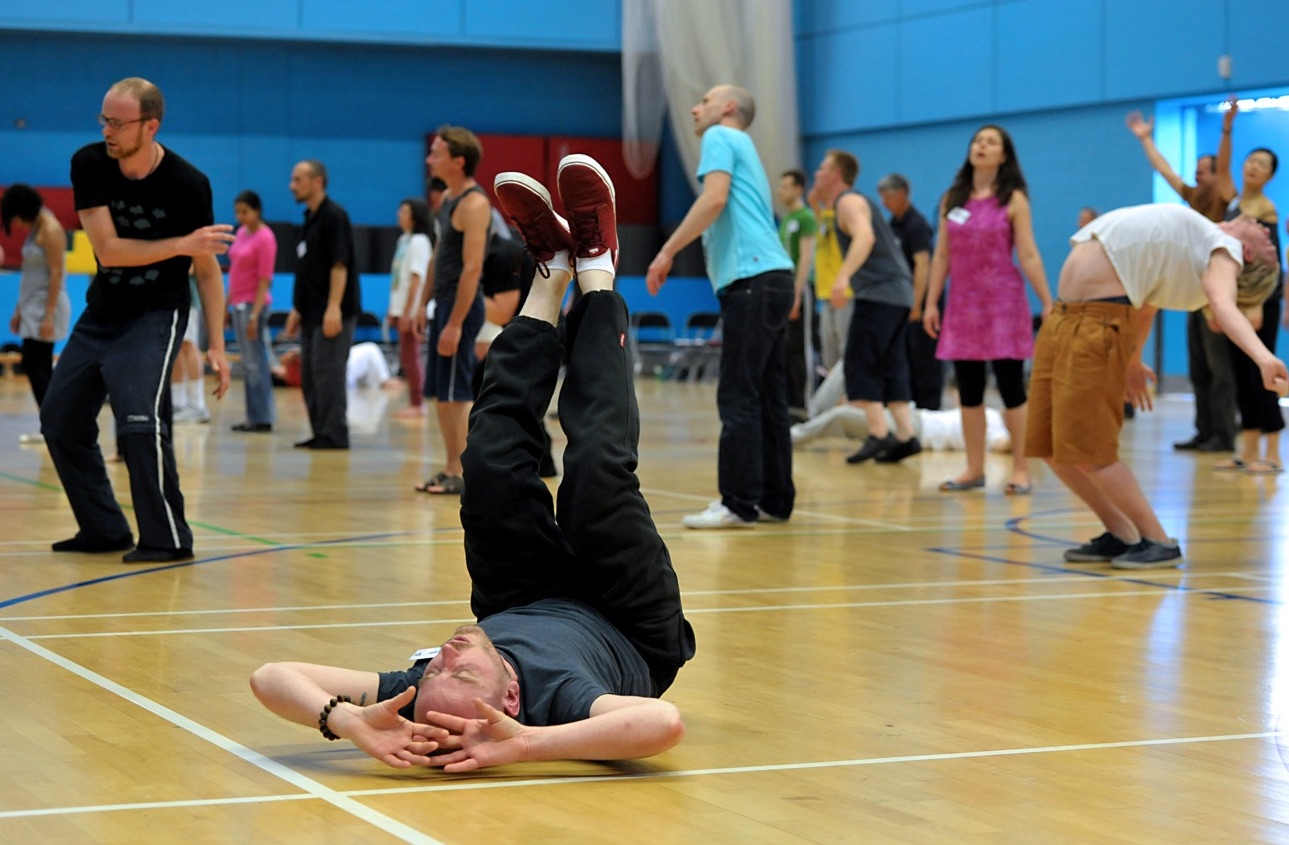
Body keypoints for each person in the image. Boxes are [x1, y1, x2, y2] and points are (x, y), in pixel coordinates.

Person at [250, 156, 695, 772]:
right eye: (460, 670)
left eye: (435, 668)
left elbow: (272, 675)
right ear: (511, 699)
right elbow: (662, 724)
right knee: (595, 473)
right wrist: (527, 744)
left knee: (483, 465)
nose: (447, 653)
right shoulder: (559, 701)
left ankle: (547, 277)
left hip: (519, 594)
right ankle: (595, 271)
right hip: (629, 621)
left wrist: (349, 720)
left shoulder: (423, 692)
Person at [1028, 204, 1285, 570]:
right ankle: (1120, 532)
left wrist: (1262, 357)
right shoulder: (1191, 248)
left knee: (1091, 450)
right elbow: (1146, 307)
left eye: (1270, 245)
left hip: (1095, 321)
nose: (1264, 229)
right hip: (1066, 318)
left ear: (1247, 255)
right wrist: (1132, 360)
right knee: (1049, 445)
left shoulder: (1224, 250)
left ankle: (1159, 541)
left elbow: (1223, 305)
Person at [41, 77, 232, 563]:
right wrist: (180, 246)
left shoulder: (189, 184)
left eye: (117, 122)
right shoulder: (89, 163)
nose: (107, 130)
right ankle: (103, 528)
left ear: (151, 126)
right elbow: (108, 250)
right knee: (59, 419)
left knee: (140, 422)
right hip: (102, 311)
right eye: (103, 119)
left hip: (157, 314)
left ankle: (167, 539)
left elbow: (207, 270)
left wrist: (215, 343)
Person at [647, 84, 797, 529]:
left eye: (706, 100)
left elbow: (713, 199)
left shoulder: (720, 137)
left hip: (752, 280)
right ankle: (774, 498)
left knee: (738, 394)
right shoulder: (744, 145)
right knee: (768, 396)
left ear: (727, 108)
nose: (695, 108)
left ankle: (738, 503)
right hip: (774, 278)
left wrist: (666, 251)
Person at [923, 124, 1053, 495]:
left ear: (1004, 155)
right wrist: (932, 302)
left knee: (1011, 387)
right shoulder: (953, 198)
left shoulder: (1013, 199)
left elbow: (1027, 254)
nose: (981, 146)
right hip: (963, 306)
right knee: (968, 389)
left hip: (1003, 303)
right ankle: (974, 468)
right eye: (978, 140)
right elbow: (942, 254)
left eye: (991, 142)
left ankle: (1022, 469)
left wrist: (1047, 300)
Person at [1126, 105, 1239, 453]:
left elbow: (1223, 164)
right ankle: (1204, 431)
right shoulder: (1192, 197)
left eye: (1203, 171)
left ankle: (1224, 433)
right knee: (1199, 367)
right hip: (1195, 290)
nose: (1197, 175)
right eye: (1197, 171)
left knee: (1220, 368)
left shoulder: (1223, 196)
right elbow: (1163, 170)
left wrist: (1226, 130)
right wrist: (1145, 140)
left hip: (1216, 293)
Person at [812, 150, 920, 465]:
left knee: (860, 362)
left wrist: (843, 276)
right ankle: (905, 436)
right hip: (898, 293)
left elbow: (865, 236)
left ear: (834, 174)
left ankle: (878, 432)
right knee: (891, 364)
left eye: (821, 169)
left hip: (879, 293)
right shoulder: (844, 204)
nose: (817, 174)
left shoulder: (848, 201)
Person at [413, 127, 490, 495]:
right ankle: (449, 465)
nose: (429, 159)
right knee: (442, 394)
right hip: (442, 305)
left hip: (461, 308)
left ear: (458, 161)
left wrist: (455, 323)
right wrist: (421, 303)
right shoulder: (446, 200)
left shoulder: (475, 205)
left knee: (456, 392)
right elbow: (438, 257)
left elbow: (471, 269)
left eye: (436, 153)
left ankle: (463, 470)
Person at [1216, 128, 1283, 474]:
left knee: (1262, 372)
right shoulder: (1232, 202)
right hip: (1236, 301)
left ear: (1271, 176)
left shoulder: (1265, 210)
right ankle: (1247, 449)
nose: (1254, 167)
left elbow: (1272, 263)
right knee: (1239, 374)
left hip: (1261, 301)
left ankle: (1273, 452)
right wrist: (1228, 129)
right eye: (1251, 160)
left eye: (1262, 164)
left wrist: (1258, 303)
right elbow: (1223, 167)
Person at [283, 159, 360, 450]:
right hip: (310, 313)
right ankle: (320, 432)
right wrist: (297, 310)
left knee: (329, 373)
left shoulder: (334, 216)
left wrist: (334, 307)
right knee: (311, 375)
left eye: (298, 179)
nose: (292, 185)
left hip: (332, 311)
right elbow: (308, 271)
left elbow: (339, 264)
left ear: (317, 182)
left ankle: (334, 434)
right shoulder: (309, 220)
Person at [1, 183, 71, 444]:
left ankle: (53, 424)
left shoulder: (51, 229)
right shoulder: (35, 228)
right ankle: (53, 423)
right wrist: (19, 309)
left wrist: (49, 315)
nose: (16, 225)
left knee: (35, 364)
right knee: (37, 366)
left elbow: (56, 274)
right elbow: (30, 276)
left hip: (46, 304)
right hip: (31, 304)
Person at [877, 173, 942, 410]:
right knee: (904, 359)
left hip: (921, 303)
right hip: (901, 303)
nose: (884, 203)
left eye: (888, 197)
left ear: (902, 194)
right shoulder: (892, 225)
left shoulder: (917, 224)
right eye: (881, 198)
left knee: (924, 359)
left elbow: (923, 266)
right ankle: (911, 410)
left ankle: (930, 410)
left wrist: (917, 304)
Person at [226, 189, 277, 433]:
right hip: (237, 303)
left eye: (245, 212)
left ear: (257, 211)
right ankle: (252, 416)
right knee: (247, 363)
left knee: (256, 362)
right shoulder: (241, 233)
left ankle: (262, 416)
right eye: (238, 212)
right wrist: (227, 303)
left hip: (253, 305)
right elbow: (234, 270)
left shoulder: (265, 238)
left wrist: (255, 315)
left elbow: (265, 278)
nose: (241, 217)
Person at [777, 168, 817, 415]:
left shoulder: (806, 217)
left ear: (798, 189)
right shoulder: (785, 219)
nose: (781, 191)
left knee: (799, 347)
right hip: (784, 287)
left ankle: (803, 404)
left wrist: (797, 292)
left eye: (785, 187)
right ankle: (788, 402)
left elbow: (805, 258)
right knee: (784, 347)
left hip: (799, 288)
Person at [388, 197, 432, 420]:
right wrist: (392, 309)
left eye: (404, 211)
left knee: (412, 356)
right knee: (406, 356)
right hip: (400, 308)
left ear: (415, 215)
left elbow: (417, 279)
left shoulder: (419, 242)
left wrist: (409, 312)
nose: (399, 214)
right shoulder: (404, 240)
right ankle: (414, 401)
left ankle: (418, 403)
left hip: (411, 310)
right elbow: (399, 280)